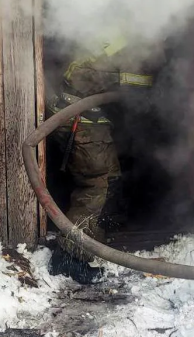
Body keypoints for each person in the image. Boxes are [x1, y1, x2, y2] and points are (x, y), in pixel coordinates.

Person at [47, 34, 156, 284]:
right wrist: (146, 82)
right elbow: (85, 76)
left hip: (88, 122)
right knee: (96, 185)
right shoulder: (114, 40)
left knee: (110, 180)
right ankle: (69, 258)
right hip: (82, 122)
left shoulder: (107, 37)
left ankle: (90, 246)